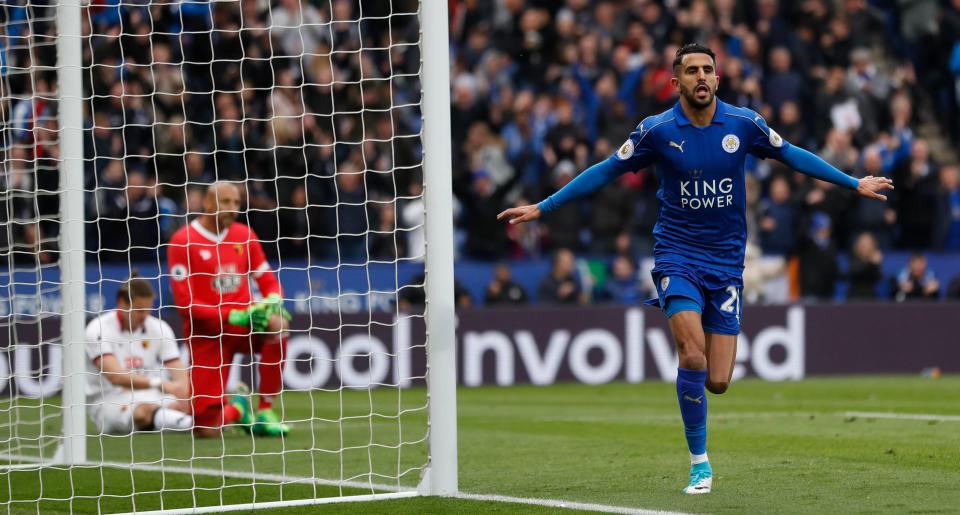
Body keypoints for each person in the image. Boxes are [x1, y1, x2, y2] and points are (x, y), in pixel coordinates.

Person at [499, 43, 893, 494]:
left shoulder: (744, 124)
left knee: (718, 381)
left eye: (708, 69)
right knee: (692, 354)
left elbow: (794, 155)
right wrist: (545, 207)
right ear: (677, 82)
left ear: (718, 79)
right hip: (677, 255)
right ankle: (700, 463)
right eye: (692, 70)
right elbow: (606, 170)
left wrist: (851, 181)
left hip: (726, 262)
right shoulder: (657, 131)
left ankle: (698, 394)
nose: (701, 76)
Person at [167, 182, 291, 437]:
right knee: (206, 429)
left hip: (243, 325)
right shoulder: (182, 241)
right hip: (207, 335)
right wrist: (229, 314)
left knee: (278, 324)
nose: (232, 208)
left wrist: (272, 300)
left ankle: (266, 409)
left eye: (236, 203)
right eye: (226, 202)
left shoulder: (245, 235)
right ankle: (238, 408)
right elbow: (185, 304)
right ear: (208, 203)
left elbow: (268, 280)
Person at [85, 276, 192, 434]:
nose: (144, 315)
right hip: (108, 401)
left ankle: (230, 414)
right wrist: (159, 384)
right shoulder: (98, 329)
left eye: (148, 310)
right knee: (143, 412)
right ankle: (196, 424)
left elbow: (179, 372)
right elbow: (116, 377)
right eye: (139, 310)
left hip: (151, 395)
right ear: (122, 304)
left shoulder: (159, 327)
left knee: (189, 404)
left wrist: (185, 394)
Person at [847, 232, 883, 300]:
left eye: (867, 243)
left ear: (873, 245)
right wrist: (870, 262)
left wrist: (876, 264)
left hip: (870, 295)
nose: (865, 246)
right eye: (862, 243)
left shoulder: (874, 260)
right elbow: (854, 272)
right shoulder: (853, 257)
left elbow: (878, 277)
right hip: (854, 296)